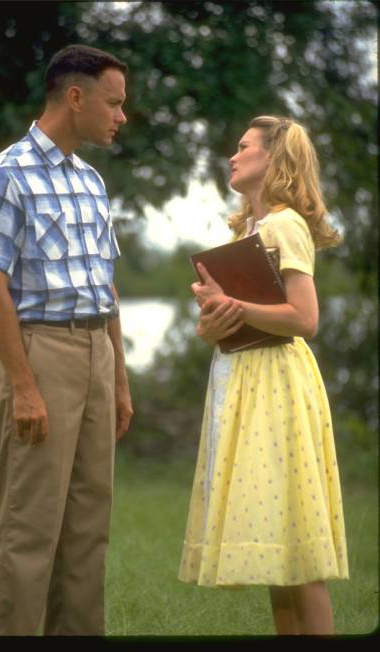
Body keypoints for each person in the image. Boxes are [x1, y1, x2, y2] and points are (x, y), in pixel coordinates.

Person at [0, 44, 133, 636]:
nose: (121, 116)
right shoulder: (3, 176)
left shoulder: (91, 181)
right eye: (114, 103)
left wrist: (119, 377)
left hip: (96, 354)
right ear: (75, 97)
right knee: (28, 534)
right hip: (39, 355)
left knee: (88, 534)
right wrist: (24, 387)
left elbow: (104, 287)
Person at [178, 115, 349, 635]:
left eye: (244, 147)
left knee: (296, 548)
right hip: (243, 378)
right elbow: (243, 313)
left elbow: (305, 318)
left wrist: (234, 304)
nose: (233, 155)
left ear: (272, 159)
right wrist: (214, 320)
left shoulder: (285, 225)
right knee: (278, 556)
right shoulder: (247, 231)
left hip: (276, 383)